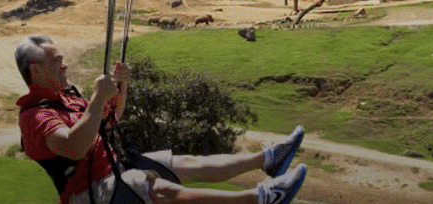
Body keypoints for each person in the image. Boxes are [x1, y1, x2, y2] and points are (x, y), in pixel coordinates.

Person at [16, 34, 307, 204]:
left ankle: (267, 160)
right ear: (35, 71)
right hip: (90, 191)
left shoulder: (68, 98)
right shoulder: (35, 116)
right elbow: (74, 147)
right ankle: (261, 199)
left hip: (115, 166)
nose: (64, 64)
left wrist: (121, 88)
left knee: (187, 163)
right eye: (55, 60)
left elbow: (112, 117)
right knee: (161, 191)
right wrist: (96, 99)